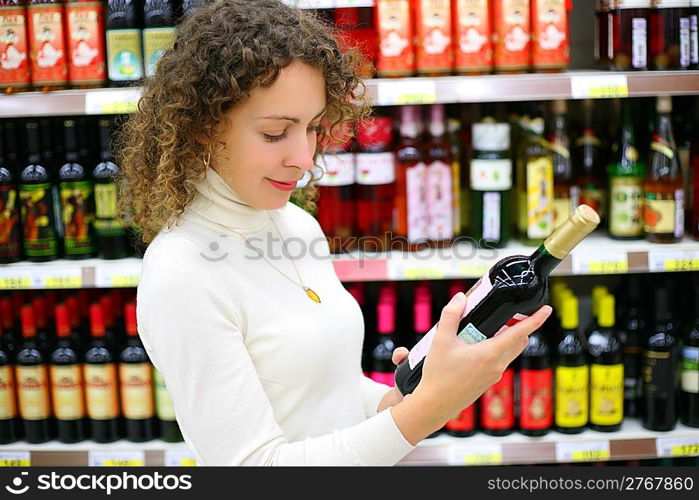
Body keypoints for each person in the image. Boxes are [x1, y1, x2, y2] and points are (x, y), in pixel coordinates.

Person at [119, 0, 551, 466]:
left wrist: (412, 396)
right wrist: (425, 413)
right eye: (275, 133)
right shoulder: (181, 273)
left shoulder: (294, 223)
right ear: (202, 128)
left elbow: (330, 395)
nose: (305, 158)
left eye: (311, 128)